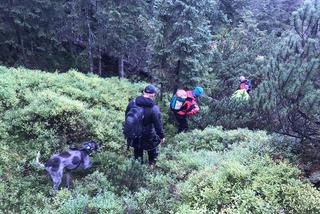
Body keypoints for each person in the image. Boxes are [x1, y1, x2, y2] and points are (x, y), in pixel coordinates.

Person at [125, 84, 165, 166]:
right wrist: (162, 136)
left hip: (135, 133)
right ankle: (151, 166)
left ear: (144, 92)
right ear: (153, 95)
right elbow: (158, 125)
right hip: (148, 134)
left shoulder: (132, 103)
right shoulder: (154, 108)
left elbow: (127, 116)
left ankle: (138, 168)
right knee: (152, 150)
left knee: (138, 152)